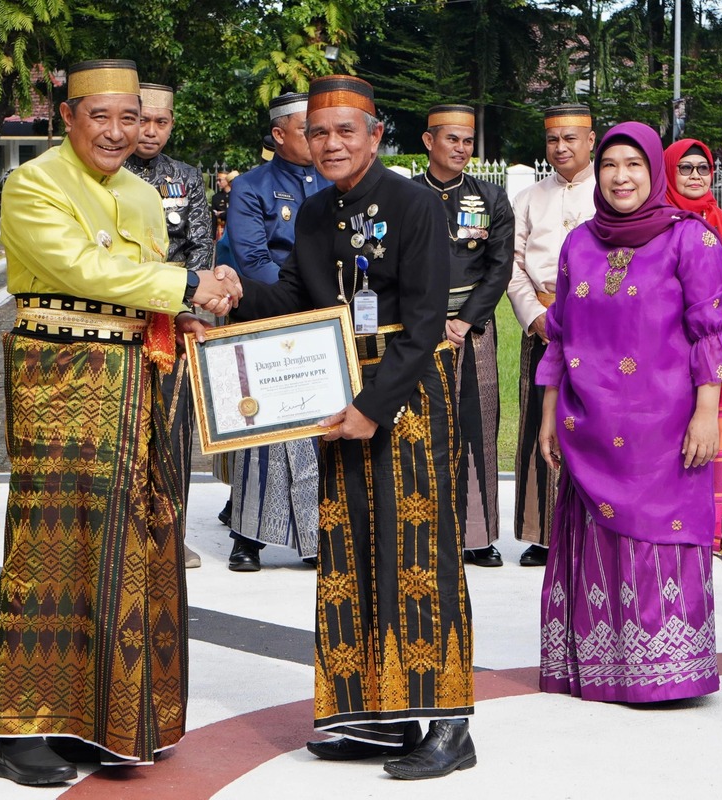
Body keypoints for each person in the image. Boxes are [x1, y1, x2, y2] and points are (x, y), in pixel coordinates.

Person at [0, 58, 240, 786]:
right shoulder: (33, 183)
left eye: (129, 117)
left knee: (131, 542)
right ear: (67, 117)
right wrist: (188, 283)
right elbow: (83, 271)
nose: (117, 131)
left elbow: (138, 292)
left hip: (139, 377)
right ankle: (24, 732)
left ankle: (107, 721)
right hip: (59, 375)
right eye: (100, 115)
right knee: (51, 542)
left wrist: (186, 310)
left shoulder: (140, 192)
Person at [234, 75, 476, 781]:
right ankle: (378, 717)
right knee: (350, 550)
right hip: (337, 392)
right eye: (319, 132)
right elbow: (294, 298)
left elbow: (425, 322)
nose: (331, 143)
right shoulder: (315, 213)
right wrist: (230, 292)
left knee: (418, 553)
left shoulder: (414, 204)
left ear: (376, 135)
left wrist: (374, 406)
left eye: (346, 130)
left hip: (404, 399)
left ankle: (450, 723)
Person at [537, 121, 722, 703]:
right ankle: (602, 669)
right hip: (588, 423)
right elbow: (559, 336)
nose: (620, 177)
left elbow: (709, 334)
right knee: (597, 542)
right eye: (609, 165)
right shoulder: (579, 244)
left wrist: (706, 412)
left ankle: (667, 673)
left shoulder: (689, 240)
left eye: (633, 165)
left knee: (662, 540)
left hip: (667, 427)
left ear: (653, 172)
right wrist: (548, 413)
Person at [224, 92, 331, 571]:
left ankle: (315, 537)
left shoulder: (335, 181)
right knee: (261, 429)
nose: (317, 138)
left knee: (319, 427)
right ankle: (247, 537)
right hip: (267, 316)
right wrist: (300, 303)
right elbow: (252, 258)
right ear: (278, 134)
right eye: (308, 128)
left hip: (324, 320)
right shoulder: (251, 186)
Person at [415, 104, 513, 567]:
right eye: (451, 138)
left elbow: (500, 266)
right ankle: (424, 531)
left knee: (477, 426)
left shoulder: (491, 198)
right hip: (418, 328)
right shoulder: (405, 196)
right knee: (419, 427)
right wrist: (432, 319)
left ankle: (478, 535)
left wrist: (466, 319)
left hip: (473, 330)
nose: (460, 148)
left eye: (468, 141)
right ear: (428, 140)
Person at [125, 81, 213, 568]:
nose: (150, 131)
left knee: (174, 430)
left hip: (175, 321)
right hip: (122, 315)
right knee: (127, 430)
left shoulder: (186, 177)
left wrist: (185, 303)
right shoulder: (109, 173)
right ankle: (127, 534)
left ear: (172, 124)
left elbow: (200, 246)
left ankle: (170, 536)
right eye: (142, 120)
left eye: (161, 122)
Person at [506, 104, 597, 568]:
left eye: (570, 138)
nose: (560, 147)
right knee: (537, 424)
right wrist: (533, 316)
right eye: (552, 140)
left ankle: (596, 525)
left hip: (600, 330)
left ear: (591, 140)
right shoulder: (528, 198)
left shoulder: (611, 188)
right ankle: (541, 533)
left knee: (596, 422)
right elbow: (512, 264)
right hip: (544, 325)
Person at [664, 138, 722, 555]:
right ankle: (680, 524)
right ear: (669, 172)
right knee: (677, 441)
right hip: (672, 351)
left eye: (703, 168)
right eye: (685, 168)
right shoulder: (660, 220)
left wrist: (701, 279)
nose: (695, 176)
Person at [211, 170, 231, 240]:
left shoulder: (236, 195)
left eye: (220, 180)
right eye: (217, 180)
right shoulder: (216, 197)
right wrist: (213, 237)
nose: (217, 182)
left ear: (228, 180)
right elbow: (213, 219)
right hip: (221, 231)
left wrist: (222, 214)